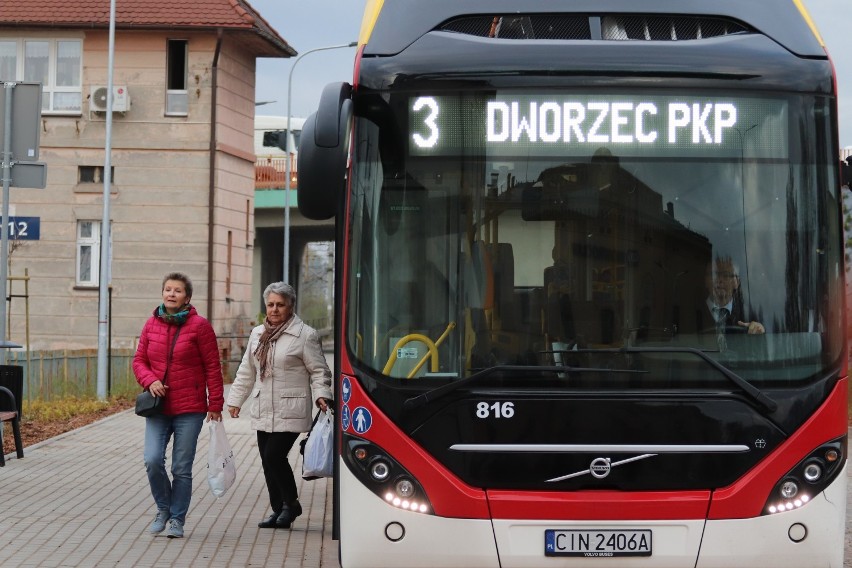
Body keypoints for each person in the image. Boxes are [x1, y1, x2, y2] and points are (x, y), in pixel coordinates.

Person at [226, 282, 333, 529]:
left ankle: (291, 504)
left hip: (291, 408)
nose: (274, 309)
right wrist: (234, 401)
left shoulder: (305, 335)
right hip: (263, 406)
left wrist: (322, 395)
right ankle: (278, 510)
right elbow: (246, 371)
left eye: (280, 305)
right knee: (266, 459)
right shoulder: (257, 334)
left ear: (291, 306)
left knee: (274, 456)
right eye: (270, 304)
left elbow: (319, 371)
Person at [133, 272, 224, 539]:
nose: (171, 294)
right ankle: (163, 508)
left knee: (181, 468)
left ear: (187, 297)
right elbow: (139, 361)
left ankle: (177, 519)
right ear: (162, 293)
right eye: (168, 289)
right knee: (152, 460)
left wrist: (215, 403)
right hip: (158, 407)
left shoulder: (200, 326)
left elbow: (212, 368)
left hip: (190, 408)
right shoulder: (151, 324)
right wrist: (150, 381)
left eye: (178, 290)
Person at [701, 256, 765, 336]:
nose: (720, 279)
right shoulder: (691, 311)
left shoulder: (750, 314)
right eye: (714, 274)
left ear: (737, 282)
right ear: (706, 281)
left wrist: (759, 333)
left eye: (726, 275)